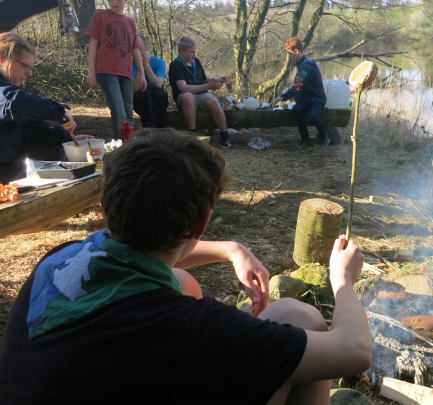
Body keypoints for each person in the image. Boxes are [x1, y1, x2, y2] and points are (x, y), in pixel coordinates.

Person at [0, 128, 372, 404]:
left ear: (106, 204)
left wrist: (230, 248)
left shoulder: (61, 258)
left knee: (179, 279)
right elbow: (355, 351)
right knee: (298, 314)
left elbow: (141, 254)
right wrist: (342, 281)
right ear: (200, 223)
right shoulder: (187, 327)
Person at [0, 33, 94, 185]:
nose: (29, 73)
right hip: (6, 171)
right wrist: (56, 111)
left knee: (79, 162)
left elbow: (32, 129)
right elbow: (15, 103)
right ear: (2, 60)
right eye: (24, 66)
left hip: (16, 163)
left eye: (31, 68)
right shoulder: (10, 96)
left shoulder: (14, 88)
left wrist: (69, 139)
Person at [86, 0, 146, 140]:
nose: (115, 2)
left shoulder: (130, 22)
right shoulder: (100, 15)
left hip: (126, 73)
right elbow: (93, 44)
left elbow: (135, 49)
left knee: (129, 113)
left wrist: (141, 74)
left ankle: (129, 145)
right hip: (106, 71)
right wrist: (91, 71)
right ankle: (121, 147)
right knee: (119, 112)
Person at [168, 37, 232, 149]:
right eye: (191, 52)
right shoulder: (175, 65)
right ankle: (193, 134)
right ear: (181, 51)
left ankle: (225, 136)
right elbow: (183, 88)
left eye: (195, 52)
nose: (194, 55)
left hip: (201, 94)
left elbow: (203, 78)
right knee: (188, 96)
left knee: (213, 100)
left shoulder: (196, 61)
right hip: (183, 97)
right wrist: (208, 86)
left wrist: (216, 80)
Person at [270, 37, 329, 150]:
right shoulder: (300, 65)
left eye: (290, 54)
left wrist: (279, 98)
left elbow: (297, 87)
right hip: (305, 99)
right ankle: (305, 138)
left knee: (312, 115)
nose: (289, 57)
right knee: (296, 110)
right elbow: (301, 86)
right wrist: (296, 94)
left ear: (296, 51)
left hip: (317, 99)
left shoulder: (306, 66)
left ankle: (324, 135)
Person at [132, 35, 169, 129]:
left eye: (138, 45)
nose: (136, 48)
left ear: (146, 47)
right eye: (133, 46)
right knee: (140, 97)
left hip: (157, 95)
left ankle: (163, 128)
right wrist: (140, 68)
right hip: (140, 97)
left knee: (158, 95)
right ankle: (147, 126)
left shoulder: (159, 63)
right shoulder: (129, 65)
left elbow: (158, 84)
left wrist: (147, 66)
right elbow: (135, 88)